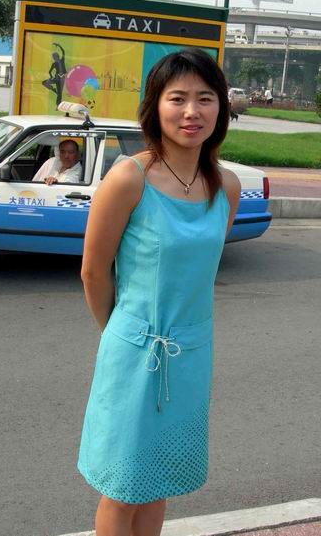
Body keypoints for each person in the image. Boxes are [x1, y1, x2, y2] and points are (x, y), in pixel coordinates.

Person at [77, 48, 241, 536]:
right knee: (123, 486)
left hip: (191, 352)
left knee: (159, 478)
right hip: (133, 350)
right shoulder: (129, 177)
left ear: (220, 108)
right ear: (155, 106)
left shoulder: (227, 186)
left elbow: (199, 268)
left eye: (205, 98)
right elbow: (93, 272)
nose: (192, 111)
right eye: (178, 98)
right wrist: (122, 336)